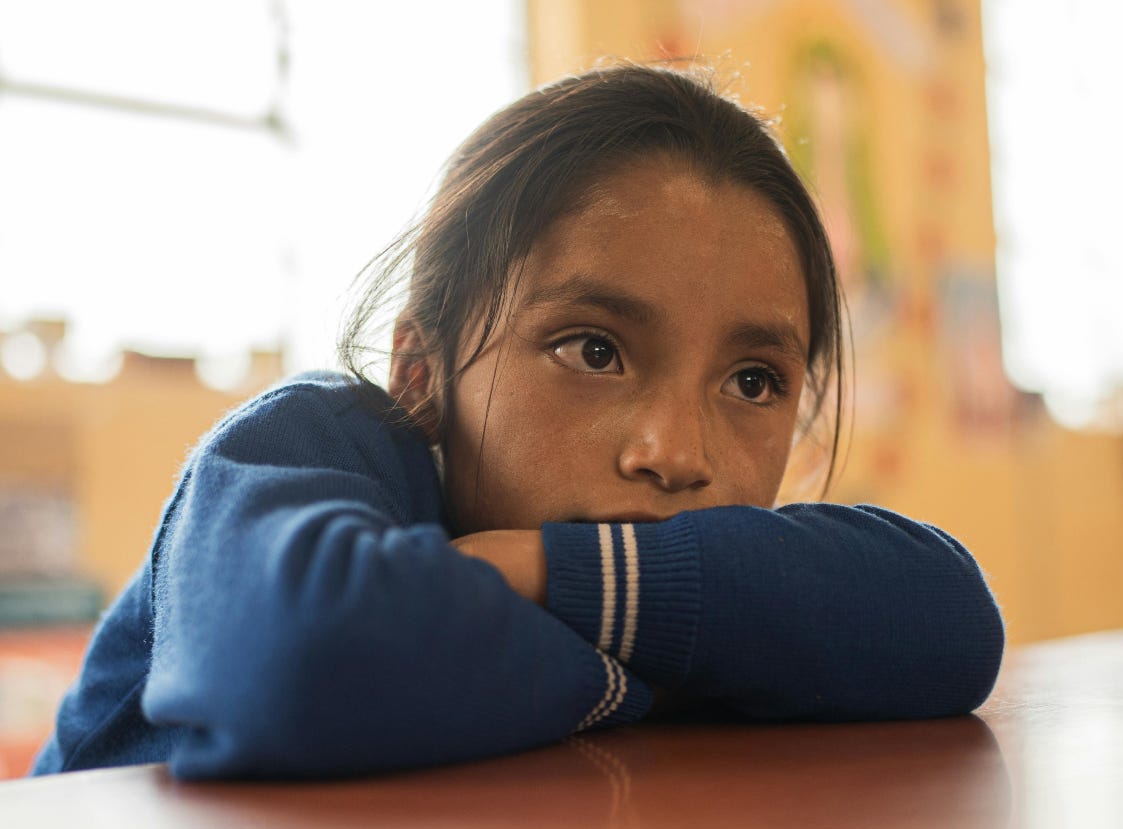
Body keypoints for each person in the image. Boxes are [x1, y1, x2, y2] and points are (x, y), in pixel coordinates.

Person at [32, 63, 1004, 780]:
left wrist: (534, 569)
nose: (675, 453)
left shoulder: (653, 551)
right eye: (593, 350)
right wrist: (664, 661)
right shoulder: (305, 443)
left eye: (753, 382)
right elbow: (298, 660)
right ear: (421, 368)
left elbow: (951, 622)